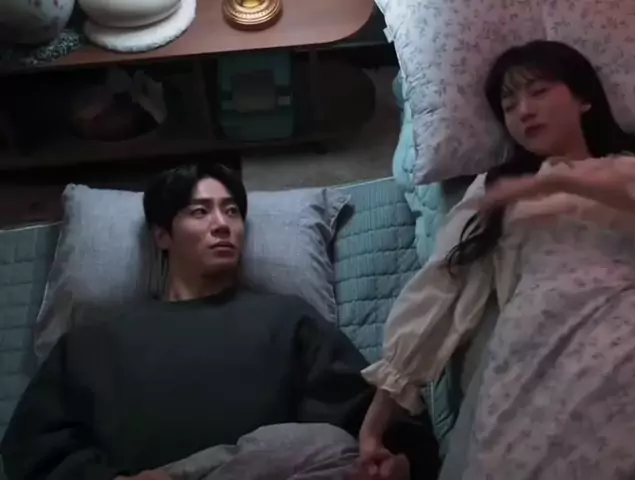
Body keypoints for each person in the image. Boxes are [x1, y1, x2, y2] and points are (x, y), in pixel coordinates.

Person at [0, 164, 440, 480]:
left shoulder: (286, 320)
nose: (222, 224)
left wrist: (399, 461)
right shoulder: (93, 343)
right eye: (199, 212)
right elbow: (33, 448)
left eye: (232, 212)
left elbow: (374, 417)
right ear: (162, 235)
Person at [358, 40, 635, 479]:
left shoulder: (626, 167)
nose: (524, 110)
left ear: (584, 99)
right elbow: (440, 287)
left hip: (623, 321)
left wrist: (556, 185)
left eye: (539, 91)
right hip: (533, 337)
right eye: (508, 105)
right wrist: (373, 429)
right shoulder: (497, 189)